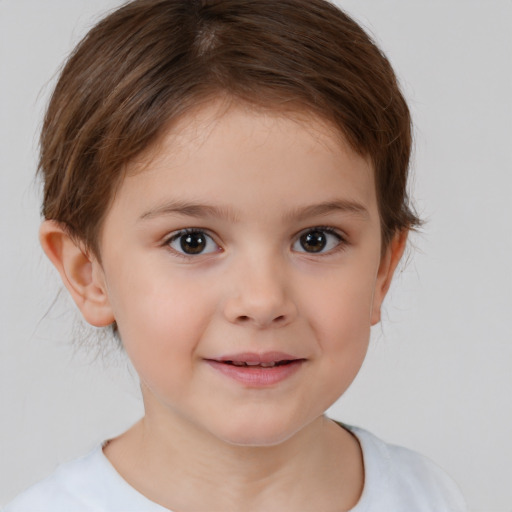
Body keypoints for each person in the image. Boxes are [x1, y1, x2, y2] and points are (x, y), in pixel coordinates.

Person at [4, 0, 467, 510]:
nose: (263, 300)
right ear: (88, 273)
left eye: (316, 239)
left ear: (382, 269)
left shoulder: (431, 497)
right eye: (192, 241)